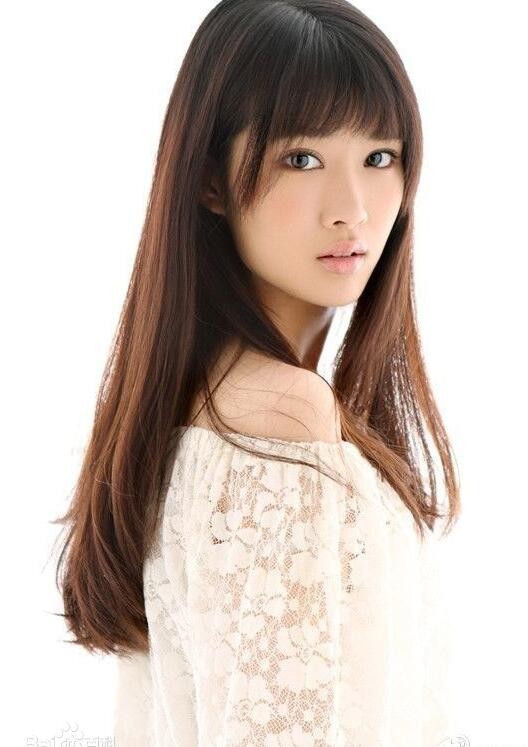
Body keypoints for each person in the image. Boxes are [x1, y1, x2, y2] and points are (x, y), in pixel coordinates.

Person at [52, 0, 461, 744]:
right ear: (210, 180)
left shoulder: (192, 394)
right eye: (300, 158)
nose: (352, 209)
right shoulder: (282, 414)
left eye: (380, 157)